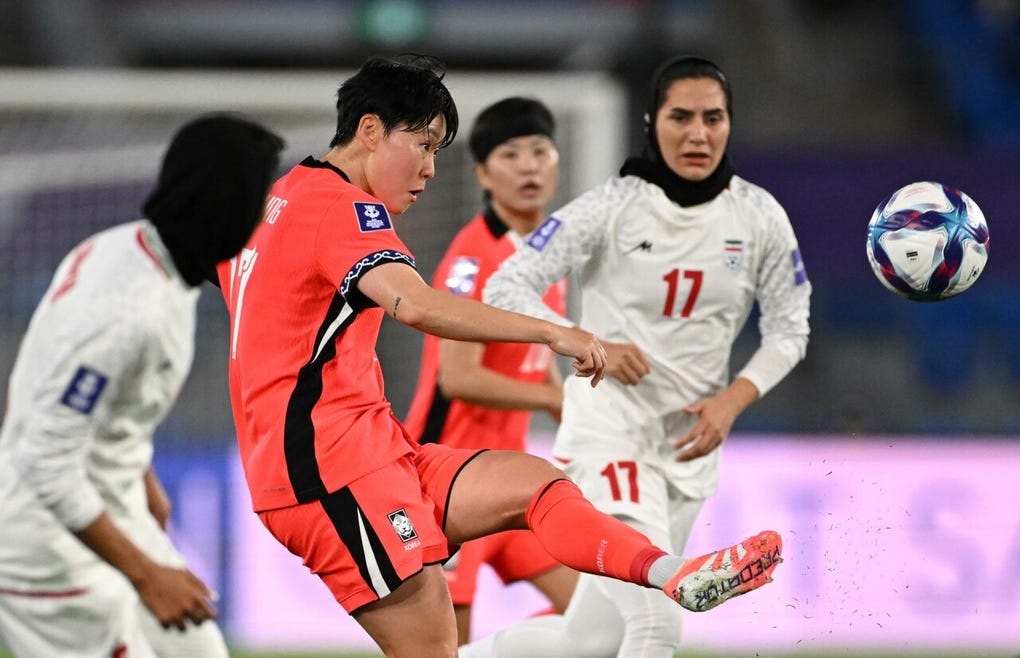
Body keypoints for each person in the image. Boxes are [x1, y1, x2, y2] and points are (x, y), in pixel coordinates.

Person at [214, 54, 783, 658]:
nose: (431, 168)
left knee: (537, 486)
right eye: (424, 145)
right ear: (371, 130)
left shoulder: (279, 199)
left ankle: (674, 574)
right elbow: (416, 306)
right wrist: (554, 334)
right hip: (330, 475)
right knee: (438, 648)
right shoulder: (343, 207)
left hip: (377, 453)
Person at [471, 55, 812, 657]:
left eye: (713, 118)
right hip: (610, 433)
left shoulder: (760, 216)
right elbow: (506, 283)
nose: (698, 133)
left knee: (588, 642)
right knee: (658, 621)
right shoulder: (612, 206)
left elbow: (790, 329)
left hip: (687, 450)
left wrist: (733, 400)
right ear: (653, 122)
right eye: (681, 117)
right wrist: (583, 340)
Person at [0, 114, 284, 658]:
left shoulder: (130, 250)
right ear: (228, 205)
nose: (265, 216)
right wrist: (148, 574)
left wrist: (144, 480)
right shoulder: (126, 315)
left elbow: (106, 407)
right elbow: (45, 461)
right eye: (260, 200)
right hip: (47, 553)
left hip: (115, 509)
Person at [403, 96, 577, 645]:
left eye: (539, 151)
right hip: (450, 484)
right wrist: (552, 401)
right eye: (510, 154)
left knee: (602, 620)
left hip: (510, 480)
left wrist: (574, 415)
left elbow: (535, 365)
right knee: (445, 648)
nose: (529, 167)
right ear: (482, 173)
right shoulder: (473, 258)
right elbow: (458, 378)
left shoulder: (548, 257)